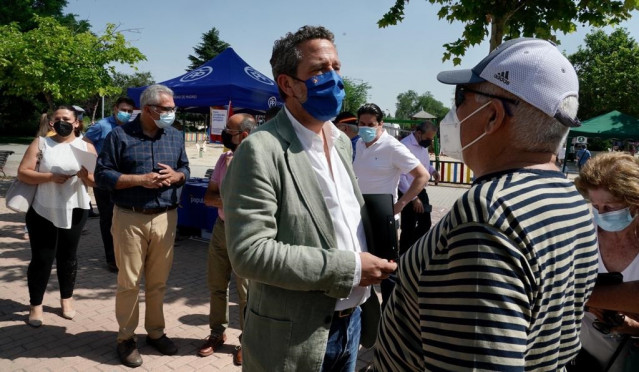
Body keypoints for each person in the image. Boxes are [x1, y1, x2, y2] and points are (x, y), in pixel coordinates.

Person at [374, 37, 599, 371]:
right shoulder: (572, 200)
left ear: (493, 116)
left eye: (461, 98)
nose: (453, 113)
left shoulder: (487, 214)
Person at [221, 25, 397, 371]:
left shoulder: (343, 142)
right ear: (287, 84)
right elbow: (249, 253)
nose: (333, 78)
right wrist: (349, 267)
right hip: (293, 337)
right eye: (319, 70)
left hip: (352, 324)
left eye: (336, 68)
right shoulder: (260, 149)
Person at [95, 84, 190, 368]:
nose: (172, 113)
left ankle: (155, 332)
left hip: (165, 218)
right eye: (168, 109)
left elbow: (185, 168)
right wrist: (139, 180)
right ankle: (125, 339)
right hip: (129, 217)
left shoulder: (175, 135)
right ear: (149, 109)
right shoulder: (119, 136)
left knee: (158, 283)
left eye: (173, 109)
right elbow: (102, 174)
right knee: (129, 283)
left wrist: (177, 176)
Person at [17, 105, 97, 327]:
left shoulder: (86, 145)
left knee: (68, 257)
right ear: (51, 122)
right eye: (58, 119)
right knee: (42, 258)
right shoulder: (41, 143)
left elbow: (95, 180)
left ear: (77, 123)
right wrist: (50, 176)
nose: (62, 122)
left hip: (76, 208)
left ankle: (67, 299)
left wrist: (85, 176)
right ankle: (36, 305)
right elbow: (23, 173)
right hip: (43, 209)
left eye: (67, 119)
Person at [353, 102, 429, 307]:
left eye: (371, 124)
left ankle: (392, 314)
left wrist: (402, 203)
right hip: (361, 214)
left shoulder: (392, 147)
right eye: (362, 123)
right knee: (363, 265)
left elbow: (422, 175)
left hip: (384, 217)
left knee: (386, 270)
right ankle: (367, 310)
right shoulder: (359, 144)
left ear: (381, 125)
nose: (366, 128)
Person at [570, 152, 639, 372]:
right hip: (578, 354)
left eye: (609, 207)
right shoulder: (583, 230)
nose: (600, 214)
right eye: (595, 205)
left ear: (634, 203)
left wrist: (630, 326)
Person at [197, 113, 256, 366]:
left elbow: (258, 205)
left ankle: (247, 341)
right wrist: (233, 202)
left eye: (229, 131)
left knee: (245, 292)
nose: (224, 135)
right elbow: (209, 198)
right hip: (221, 228)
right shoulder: (224, 159)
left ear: (244, 135)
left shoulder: (259, 161)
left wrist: (230, 201)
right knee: (216, 285)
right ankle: (216, 332)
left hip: (246, 232)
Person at [84, 97, 136, 273]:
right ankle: (112, 258)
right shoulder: (102, 125)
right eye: (124, 110)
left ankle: (124, 254)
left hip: (123, 178)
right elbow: (86, 140)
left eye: (130, 111)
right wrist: (95, 161)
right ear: (115, 109)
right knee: (108, 218)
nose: (127, 113)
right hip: (103, 177)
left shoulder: (130, 127)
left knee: (123, 217)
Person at [398, 121, 441, 252]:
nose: (430, 142)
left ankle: (414, 249)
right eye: (428, 138)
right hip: (407, 192)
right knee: (408, 226)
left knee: (425, 224)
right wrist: (413, 198)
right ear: (418, 133)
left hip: (421, 189)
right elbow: (401, 177)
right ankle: (404, 255)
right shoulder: (404, 146)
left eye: (431, 139)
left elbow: (423, 165)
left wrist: (433, 171)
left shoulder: (423, 145)